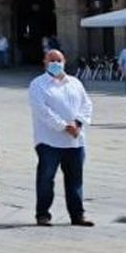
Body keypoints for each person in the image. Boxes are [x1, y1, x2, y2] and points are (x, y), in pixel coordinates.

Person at [30, 49, 93, 227]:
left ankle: (77, 214)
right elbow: (42, 111)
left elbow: (86, 104)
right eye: (52, 60)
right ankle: (43, 214)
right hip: (49, 140)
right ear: (45, 62)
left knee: (75, 179)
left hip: (75, 141)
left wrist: (78, 123)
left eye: (59, 60)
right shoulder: (38, 84)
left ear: (64, 61)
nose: (56, 64)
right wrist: (64, 126)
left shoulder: (74, 83)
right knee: (46, 179)